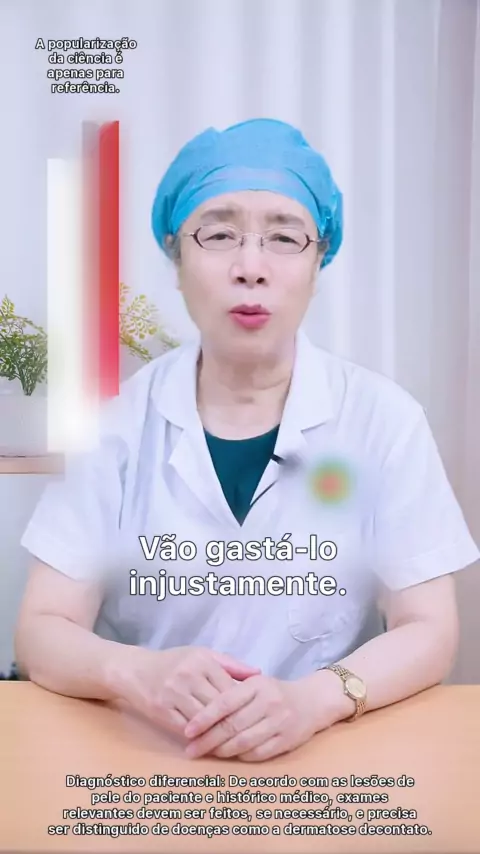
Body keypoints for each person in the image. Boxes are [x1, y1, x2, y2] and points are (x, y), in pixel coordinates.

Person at [15, 118, 479, 763]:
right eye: (219, 234)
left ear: (319, 261)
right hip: (143, 756)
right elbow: (41, 628)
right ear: (177, 258)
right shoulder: (117, 423)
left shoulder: (384, 420)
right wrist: (135, 673)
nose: (250, 268)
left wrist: (315, 700)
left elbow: (429, 627)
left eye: (284, 237)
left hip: (327, 761)